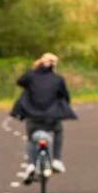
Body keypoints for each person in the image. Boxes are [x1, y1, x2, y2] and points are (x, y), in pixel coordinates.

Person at [10, 52, 76, 182]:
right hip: (51, 119)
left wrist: (35, 68)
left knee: (30, 139)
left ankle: (30, 165)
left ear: (40, 62)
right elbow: (66, 97)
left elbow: (20, 81)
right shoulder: (58, 79)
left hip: (33, 118)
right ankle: (56, 160)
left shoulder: (30, 76)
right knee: (59, 130)